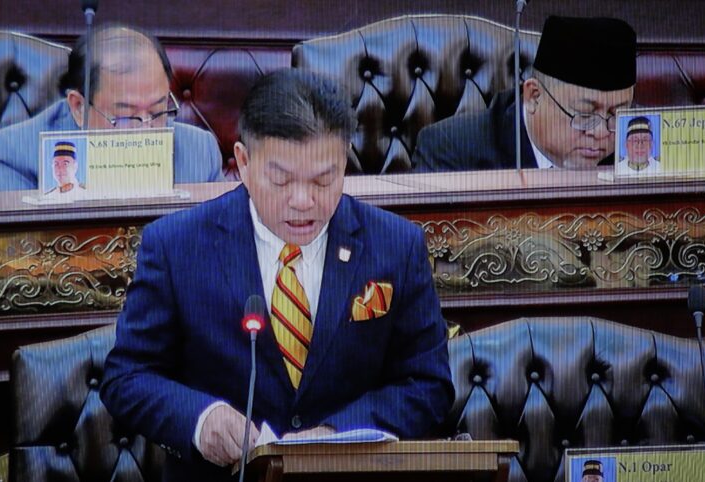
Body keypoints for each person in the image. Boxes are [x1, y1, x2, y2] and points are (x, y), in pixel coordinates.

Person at [100, 68, 454, 481]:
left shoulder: (395, 246)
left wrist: (339, 435)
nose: (303, 201)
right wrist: (200, 419)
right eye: (281, 180)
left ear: (344, 162)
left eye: (324, 180)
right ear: (244, 162)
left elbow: (428, 383)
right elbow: (127, 377)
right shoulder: (177, 246)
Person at [0, 25, 226, 192]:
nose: (145, 131)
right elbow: (8, 251)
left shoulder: (199, 152)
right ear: (78, 107)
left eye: (157, 111)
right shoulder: (11, 156)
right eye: (126, 116)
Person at [412, 16, 637, 172]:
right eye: (585, 114)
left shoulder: (637, 137)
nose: (601, 133)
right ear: (534, 97)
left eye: (615, 114)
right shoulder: (451, 149)